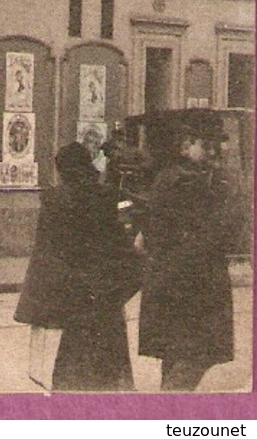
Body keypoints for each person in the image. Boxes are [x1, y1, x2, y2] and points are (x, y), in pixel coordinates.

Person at [13, 141, 140, 391]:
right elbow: (120, 246)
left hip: (71, 294)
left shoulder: (55, 200)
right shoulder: (105, 196)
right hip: (103, 294)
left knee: (71, 369)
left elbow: (46, 251)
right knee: (107, 369)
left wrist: (40, 300)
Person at [139, 117, 235, 392]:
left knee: (176, 356)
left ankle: (165, 416)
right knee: (194, 356)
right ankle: (166, 415)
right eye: (207, 145)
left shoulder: (171, 177)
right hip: (192, 288)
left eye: (217, 145)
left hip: (173, 284)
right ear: (185, 146)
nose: (214, 151)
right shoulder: (190, 183)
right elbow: (219, 231)